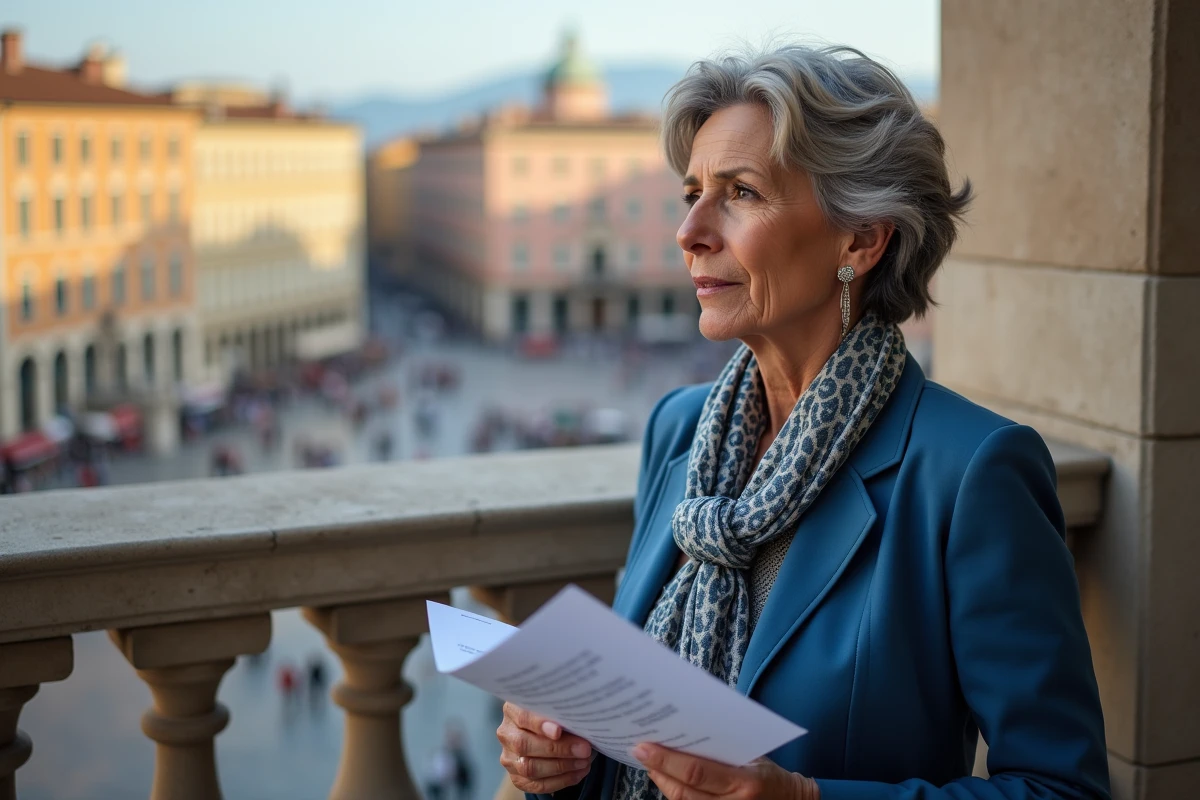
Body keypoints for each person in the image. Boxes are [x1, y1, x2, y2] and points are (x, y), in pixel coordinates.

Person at [497, 45, 1110, 800]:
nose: (689, 230)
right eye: (691, 192)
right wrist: (560, 760)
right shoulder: (679, 432)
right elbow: (640, 726)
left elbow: (1063, 790)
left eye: (741, 193)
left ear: (861, 238)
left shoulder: (973, 471)